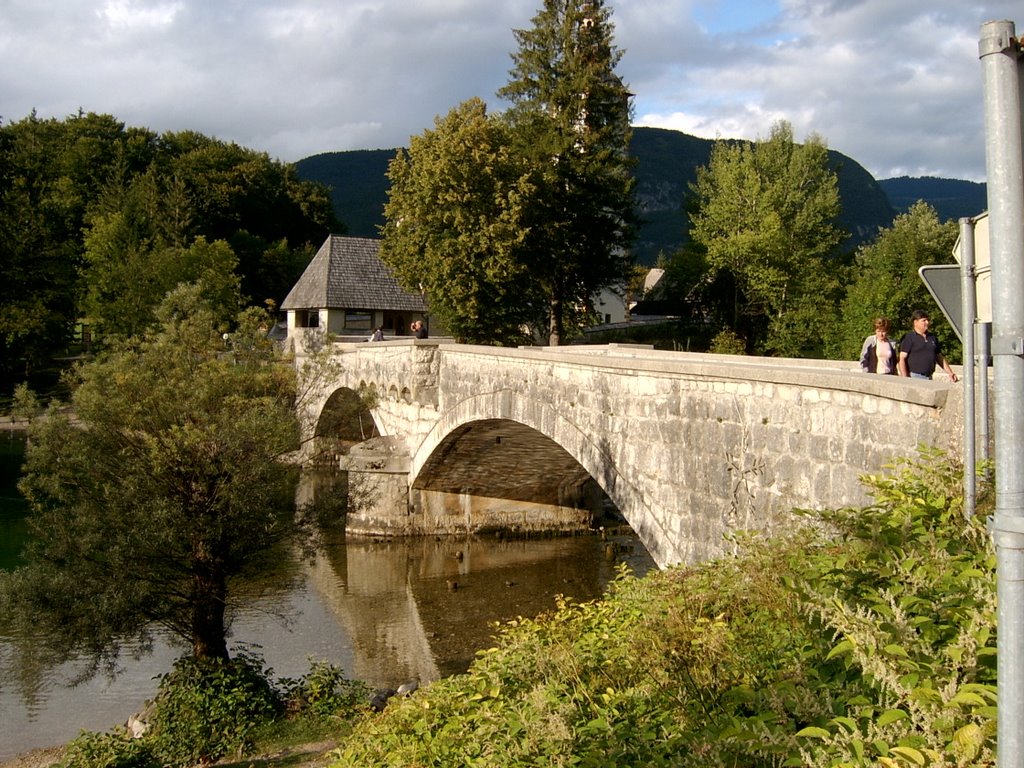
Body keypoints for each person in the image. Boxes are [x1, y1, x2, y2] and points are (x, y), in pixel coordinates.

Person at [898, 309, 958, 381]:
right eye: (924, 320)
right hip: (914, 377)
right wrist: (905, 379)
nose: (927, 322)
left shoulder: (932, 337)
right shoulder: (909, 338)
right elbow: (902, 359)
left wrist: (950, 373)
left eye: (927, 320)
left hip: (929, 376)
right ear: (915, 322)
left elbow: (939, 357)